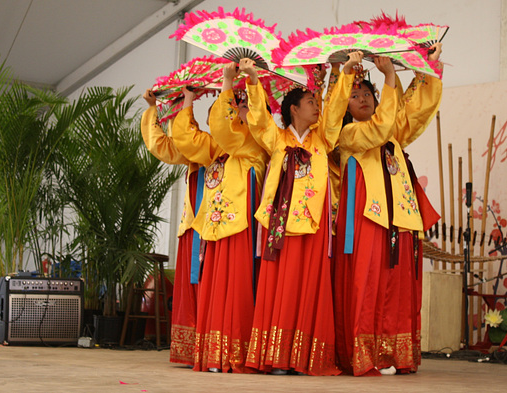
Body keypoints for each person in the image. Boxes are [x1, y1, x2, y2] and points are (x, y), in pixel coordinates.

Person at [239, 52, 361, 376]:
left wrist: (345, 73)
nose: (316, 106)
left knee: (310, 286)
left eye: (315, 100)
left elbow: (334, 114)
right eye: (310, 100)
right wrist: (252, 80)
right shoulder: (277, 138)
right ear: (294, 109)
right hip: (281, 223)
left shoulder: (323, 137)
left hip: (314, 222)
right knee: (281, 287)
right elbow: (258, 120)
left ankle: (304, 357)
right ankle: (279, 357)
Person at [332, 45, 443, 376]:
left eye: (367, 92)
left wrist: (427, 65)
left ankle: (392, 354)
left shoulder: (391, 132)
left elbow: (415, 110)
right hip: (368, 217)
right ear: (344, 106)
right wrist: (391, 75)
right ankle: (366, 354)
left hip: (400, 218)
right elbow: (380, 128)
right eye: (354, 95)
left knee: (396, 288)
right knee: (367, 286)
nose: (363, 98)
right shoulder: (348, 133)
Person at [171, 65, 269, 373]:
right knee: (214, 290)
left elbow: (228, 131)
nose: (230, 114)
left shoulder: (253, 144)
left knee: (238, 286)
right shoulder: (217, 148)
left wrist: (230, 81)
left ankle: (234, 352)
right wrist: (188, 100)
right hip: (214, 227)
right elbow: (186, 139)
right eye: (227, 108)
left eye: (239, 107)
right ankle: (214, 353)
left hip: (242, 225)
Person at [141, 90, 201, 366]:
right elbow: (160, 145)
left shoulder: (239, 145)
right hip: (195, 226)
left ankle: (217, 346)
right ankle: (193, 350)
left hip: (231, 226)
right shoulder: (198, 146)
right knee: (193, 287)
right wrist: (154, 108)